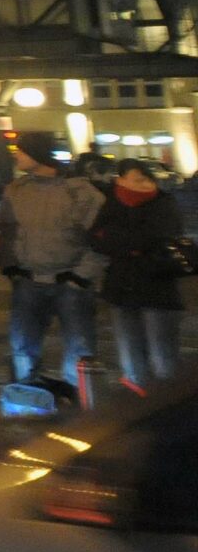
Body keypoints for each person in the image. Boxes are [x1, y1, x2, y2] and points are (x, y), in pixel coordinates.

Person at [0, 130, 105, 394]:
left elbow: (101, 238)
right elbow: (8, 231)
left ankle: (80, 401)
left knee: (79, 348)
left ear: (37, 154)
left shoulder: (79, 191)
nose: (17, 157)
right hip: (29, 279)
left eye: (21, 151)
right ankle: (25, 397)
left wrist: (81, 275)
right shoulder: (16, 191)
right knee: (22, 346)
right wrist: (11, 265)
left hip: (70, 281)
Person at [90, 159, 184, 392]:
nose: (142, 184)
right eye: (135, 179)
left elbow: (156, 237)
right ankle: (136, 401)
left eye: (145, 178)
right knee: (130, 353)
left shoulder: (163, 203)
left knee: (162, 355)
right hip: (121, 288)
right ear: (120, 180)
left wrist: (120, 242)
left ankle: (168, 401)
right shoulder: (112, 203)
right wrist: (131, 245)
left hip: (157, 288)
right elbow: (95, 238)